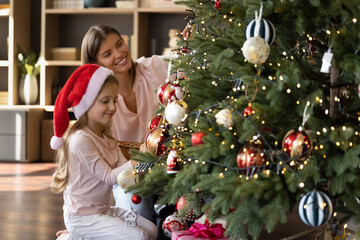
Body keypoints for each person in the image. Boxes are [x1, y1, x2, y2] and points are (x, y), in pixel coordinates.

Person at [50, 64, 158, 240]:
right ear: (87, 103)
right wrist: (138, 159)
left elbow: (123, 168)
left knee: (152, 231)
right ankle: (76, 235)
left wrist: (147, 162)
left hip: (104, 210)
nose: (112, 107)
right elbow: (109, 177)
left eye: (115, 100)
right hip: (82, 218)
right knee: (139, 237)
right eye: (105, 101)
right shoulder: (80, 140)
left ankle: (79, 237)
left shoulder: (106, 135)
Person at [81, 24, 176, 222]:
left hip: (171, 165)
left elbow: (189, 62)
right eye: (107, 53)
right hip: (129, 174)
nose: (119, 54)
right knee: (136, 220)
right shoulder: (97, 103)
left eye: (119, 44)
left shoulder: (153, 67)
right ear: (94, 62)